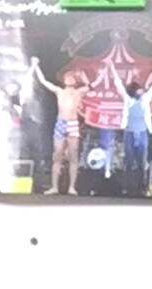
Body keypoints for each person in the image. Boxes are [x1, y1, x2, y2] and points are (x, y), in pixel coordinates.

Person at [28, 58, 90, 195]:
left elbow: (90, 86)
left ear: (75, 80)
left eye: (71, 77)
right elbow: (44, 81)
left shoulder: (78, 92)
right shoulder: (59, 91)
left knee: (73, 156)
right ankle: (54, 187)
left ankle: (72, 187)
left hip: (73, 124)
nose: (69, 78)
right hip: (61, 123)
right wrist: (36, 66)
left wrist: (82, 76)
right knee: (57, 156)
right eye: (67, 76)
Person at [109, 65, 152, 197]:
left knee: (141, 161)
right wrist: (112, 69)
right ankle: (127, 187)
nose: (142, 91)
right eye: (139, 90)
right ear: (134, 91)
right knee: (129, 161)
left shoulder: (145, 99)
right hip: (129, 132)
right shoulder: (128, 100)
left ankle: (142, 187)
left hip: (142, 133)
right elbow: (119, 84)